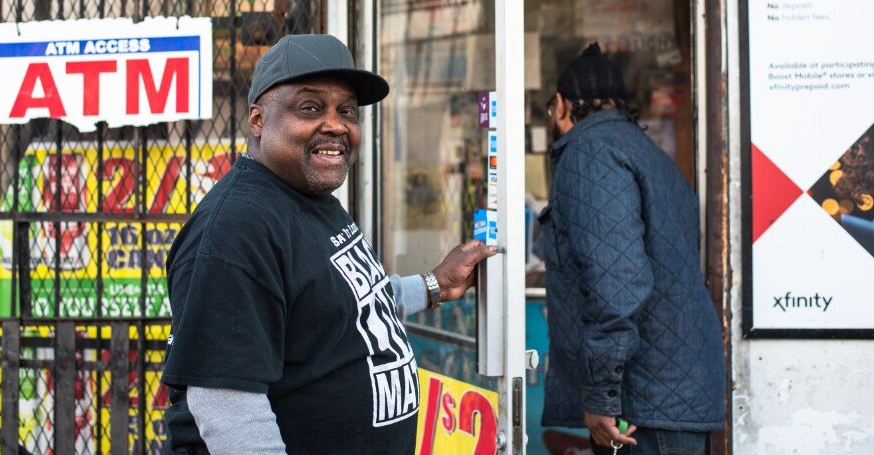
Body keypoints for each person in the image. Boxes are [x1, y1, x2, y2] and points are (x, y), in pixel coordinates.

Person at [162, 34, 496, 454]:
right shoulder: (237, 228)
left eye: (347, 111)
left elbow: (343, 305)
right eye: (310, 107)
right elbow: (228, 406)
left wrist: (434, 286)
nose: (336, 124)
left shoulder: (305, 197)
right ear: (259, 120)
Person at [538, 43, 725, 455]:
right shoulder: (644, 152)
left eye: (552, 109)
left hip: (645, 404)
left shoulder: (590, 154)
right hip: (670, 393)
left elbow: (618, 283)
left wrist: (602, 396)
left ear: (563, 104)